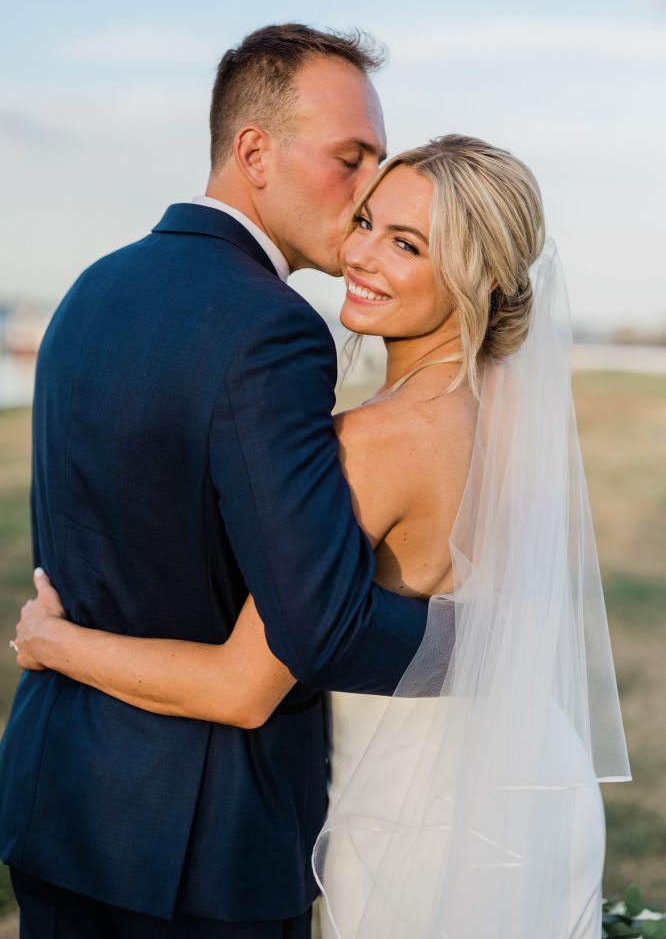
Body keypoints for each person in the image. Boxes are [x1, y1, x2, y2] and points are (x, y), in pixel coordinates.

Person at [12, 135, 631, 938]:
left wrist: (55, 643)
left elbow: (241, 687)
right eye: (368, 220)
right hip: (539, 779)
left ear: (476, 275)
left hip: (421, 810)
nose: (361, 254)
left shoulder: (376, 442)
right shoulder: (506, 407)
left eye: (406, 244)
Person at [0, 23, 436, 939]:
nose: (369, 196)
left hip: (56, 800)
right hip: (201, 852)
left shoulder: (90, 289)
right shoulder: (271, 329)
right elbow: (320, 629)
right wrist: (485, 645)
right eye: (350, 160)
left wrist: (59, 642)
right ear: (255, 153)